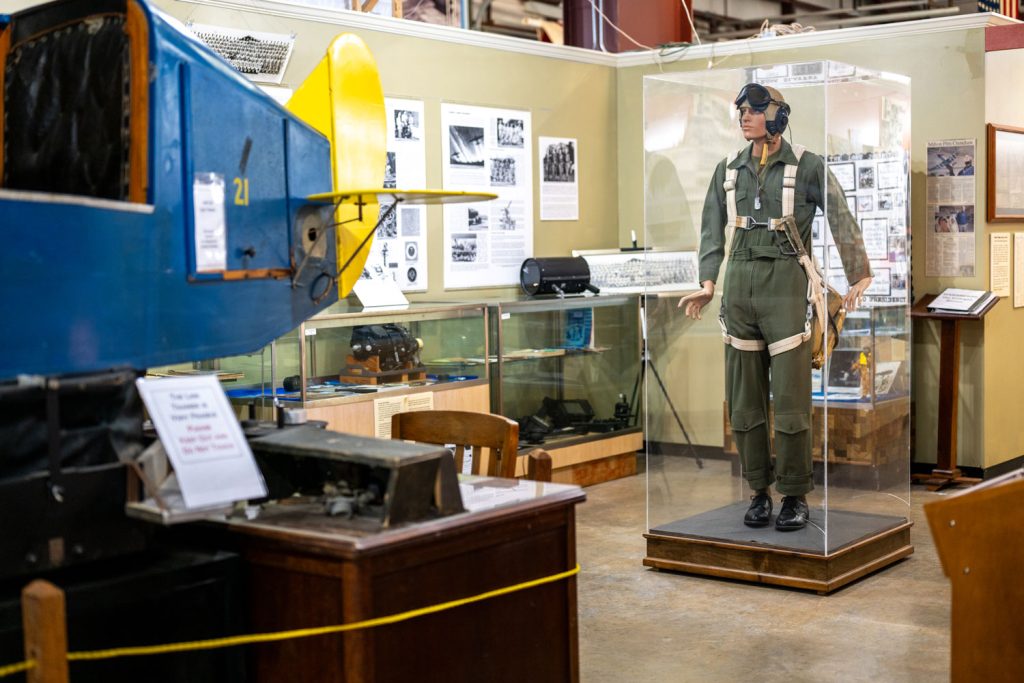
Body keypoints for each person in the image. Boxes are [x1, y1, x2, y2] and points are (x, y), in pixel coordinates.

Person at [679, 84, 872, 531]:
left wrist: (859, 271)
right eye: (741, 110)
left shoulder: (807, 167)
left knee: (789, 404)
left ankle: (794, 495)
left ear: (779, 116)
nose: (744, 117)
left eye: (755, 110)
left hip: (786, 287)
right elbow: (711, 230)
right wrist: (708, 282)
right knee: (745, 404)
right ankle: (758, 491)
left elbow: (840, 215)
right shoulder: (728, 171)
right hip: (739, 289)